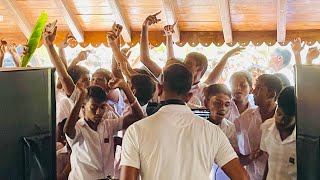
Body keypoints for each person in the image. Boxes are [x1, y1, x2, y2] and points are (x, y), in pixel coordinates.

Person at [120, 64, 249, 180]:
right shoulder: (213, 132)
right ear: (189, 97)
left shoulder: (136, 130)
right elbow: (242, 177)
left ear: (159, 89)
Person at [139, 12, 244, 106]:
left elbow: (213, 77)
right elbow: (146, 59)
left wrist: (226, 57)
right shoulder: (168, 79)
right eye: (184, 62)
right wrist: (145, 27)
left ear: (199, 69)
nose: (183, 65)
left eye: (188, 63)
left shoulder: (203, 89)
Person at [64, 81, 144, 179]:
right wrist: (81, 97)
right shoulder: (78, 128)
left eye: (102, 107)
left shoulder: (109, 125)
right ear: (83, 106)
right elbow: (67, 130)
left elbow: (138, 116)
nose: (98, 112)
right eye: (93, 107)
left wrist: (125, 87)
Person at [234, 74, 282, 180]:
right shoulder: (245, 117)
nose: (253, 92)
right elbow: (233, 150)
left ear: (271, 94)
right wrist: (249, 157)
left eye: (259, 88)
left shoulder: (283, 121)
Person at [260, 86, 296, 180]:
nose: (281, 120)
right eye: (279, 114)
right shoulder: (266, 127)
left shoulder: (304, 139)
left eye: (287, 118)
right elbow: (269, 160)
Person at [204, 84, 239, 180]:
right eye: (217, 103)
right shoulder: (197, 121)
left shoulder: (230, 128)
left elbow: (232, 155)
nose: (223, 108)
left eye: (227, 104)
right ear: (206, 102)